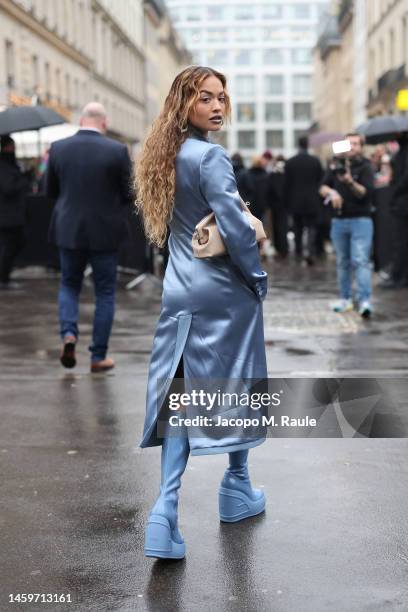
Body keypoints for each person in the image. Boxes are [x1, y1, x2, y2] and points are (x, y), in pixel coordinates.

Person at [135, 66, 268, 560]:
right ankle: (236, 486)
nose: (216, 106)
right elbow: (234, 228)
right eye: (205, 97)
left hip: (179, 291)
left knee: (180, 394)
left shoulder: (163, 156)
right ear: (184, 103)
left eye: (221, 97)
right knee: (240, 379)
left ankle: (163, 514)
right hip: (222, 293)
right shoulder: (210, 156)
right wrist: (256, 278)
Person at [46, 102, 133, 372]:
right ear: (104, 123)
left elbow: (49, 190)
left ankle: (69, 335)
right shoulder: (117, 150)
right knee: (105, 292)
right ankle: (98, 356)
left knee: (69, 284)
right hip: (105, 230)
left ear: (81, 120)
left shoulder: (58, 148)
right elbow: (129, 193)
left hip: (69, 228)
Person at [320, 133, 375, 318]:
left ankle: (364, 301)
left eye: (355, 144)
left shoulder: (366, 166)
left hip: (361, 219)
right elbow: (322, 187)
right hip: (339, 220)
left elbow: (366, 194)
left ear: (361, 147)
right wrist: (332, 192)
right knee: (343, 263)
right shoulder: (335, 165)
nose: (351, 147)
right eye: (348, 143)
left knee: (360, 261)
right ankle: (345, 299)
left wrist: (350, 181)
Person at [284, 135, 323, 265]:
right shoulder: (315, 161)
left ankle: (299, 253)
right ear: (308, 145)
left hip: (295, 202)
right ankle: (311, 252)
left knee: (297, 229)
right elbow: (320, 181)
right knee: (312, 228)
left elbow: (286, 184)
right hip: (312, 201)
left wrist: (287, 202)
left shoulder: (290, 162)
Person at [378, 134, 408, 288]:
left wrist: (395, 189)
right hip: (401, 203)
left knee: (400, 241)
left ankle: (398, 277)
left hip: (402, 204)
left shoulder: (404, 152)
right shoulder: (401, 151)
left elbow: (404, 178)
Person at [0, 135, 29, 289]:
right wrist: (23, 179)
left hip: (12, 215)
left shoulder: (11, 165)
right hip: (7, 216)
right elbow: (8, 188)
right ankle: (3, 278)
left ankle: (4, 276)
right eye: (12, 146)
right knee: (9, 245)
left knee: (13, 244)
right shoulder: (4, 166)